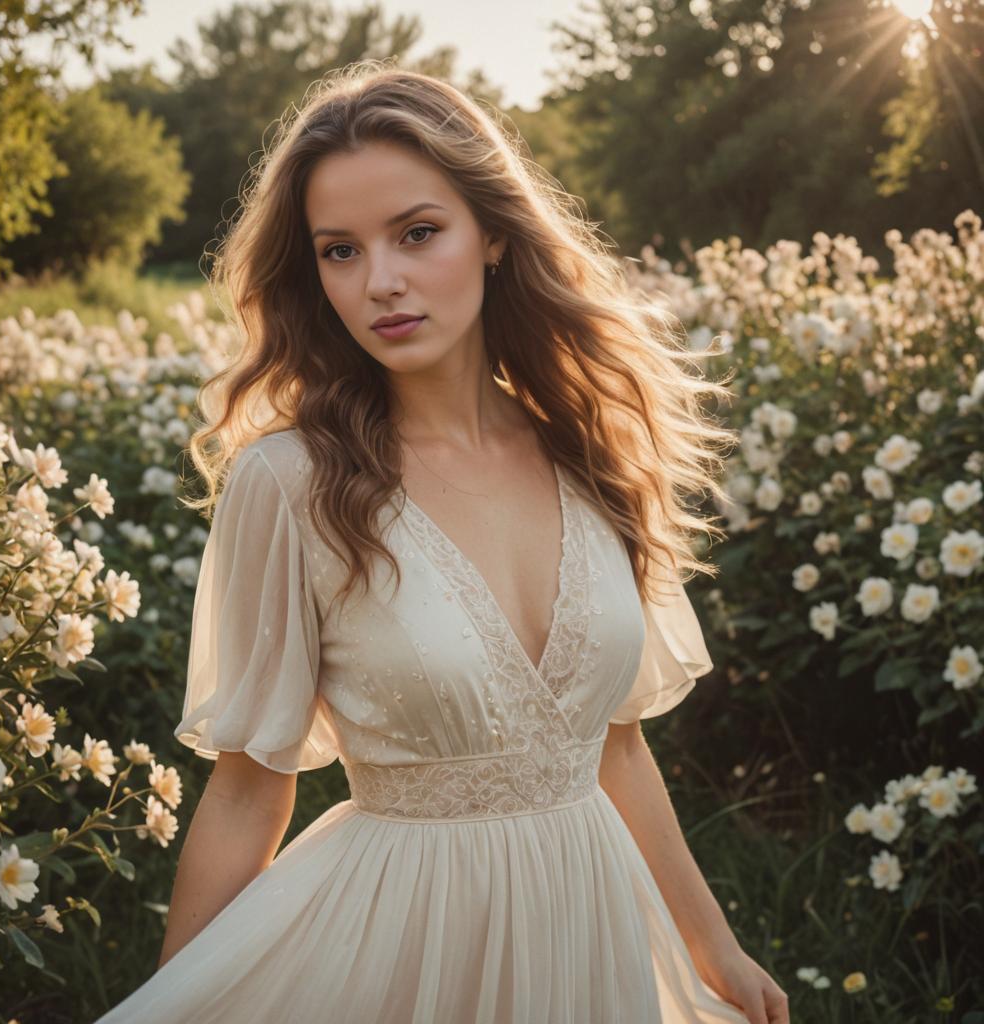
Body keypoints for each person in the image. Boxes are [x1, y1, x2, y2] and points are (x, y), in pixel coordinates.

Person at [96, 60, 789, 1024]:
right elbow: (251, 790)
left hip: (590, 939)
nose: (381, 281)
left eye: (418, 233)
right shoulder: (292, 482)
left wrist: (716, 949)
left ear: (494, 233)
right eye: (340, 251)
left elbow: (614, 750)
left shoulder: (589, 449)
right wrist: (176, 1002)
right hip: (399, 951)